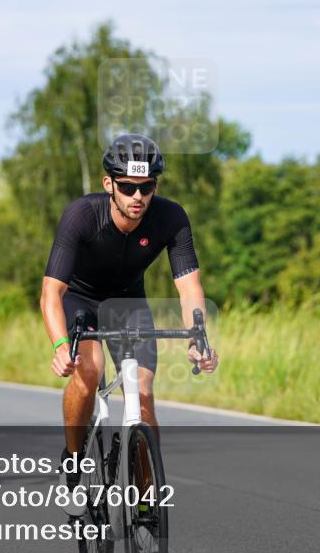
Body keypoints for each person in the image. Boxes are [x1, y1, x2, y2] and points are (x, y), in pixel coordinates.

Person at [40, 134, 219, 515]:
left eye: (147, 187)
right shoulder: (82, 215)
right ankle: (73, 460)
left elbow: (189, 288)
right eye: (127, 187)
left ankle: (144, 499)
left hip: (127, 302)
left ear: (156, 186)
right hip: (80, 300)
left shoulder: (171, 217)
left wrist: (198, 338)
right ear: (109, 185)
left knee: (143, 393)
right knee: (89, 372)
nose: (137, 196)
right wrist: (59, 346)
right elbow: (50, 294)